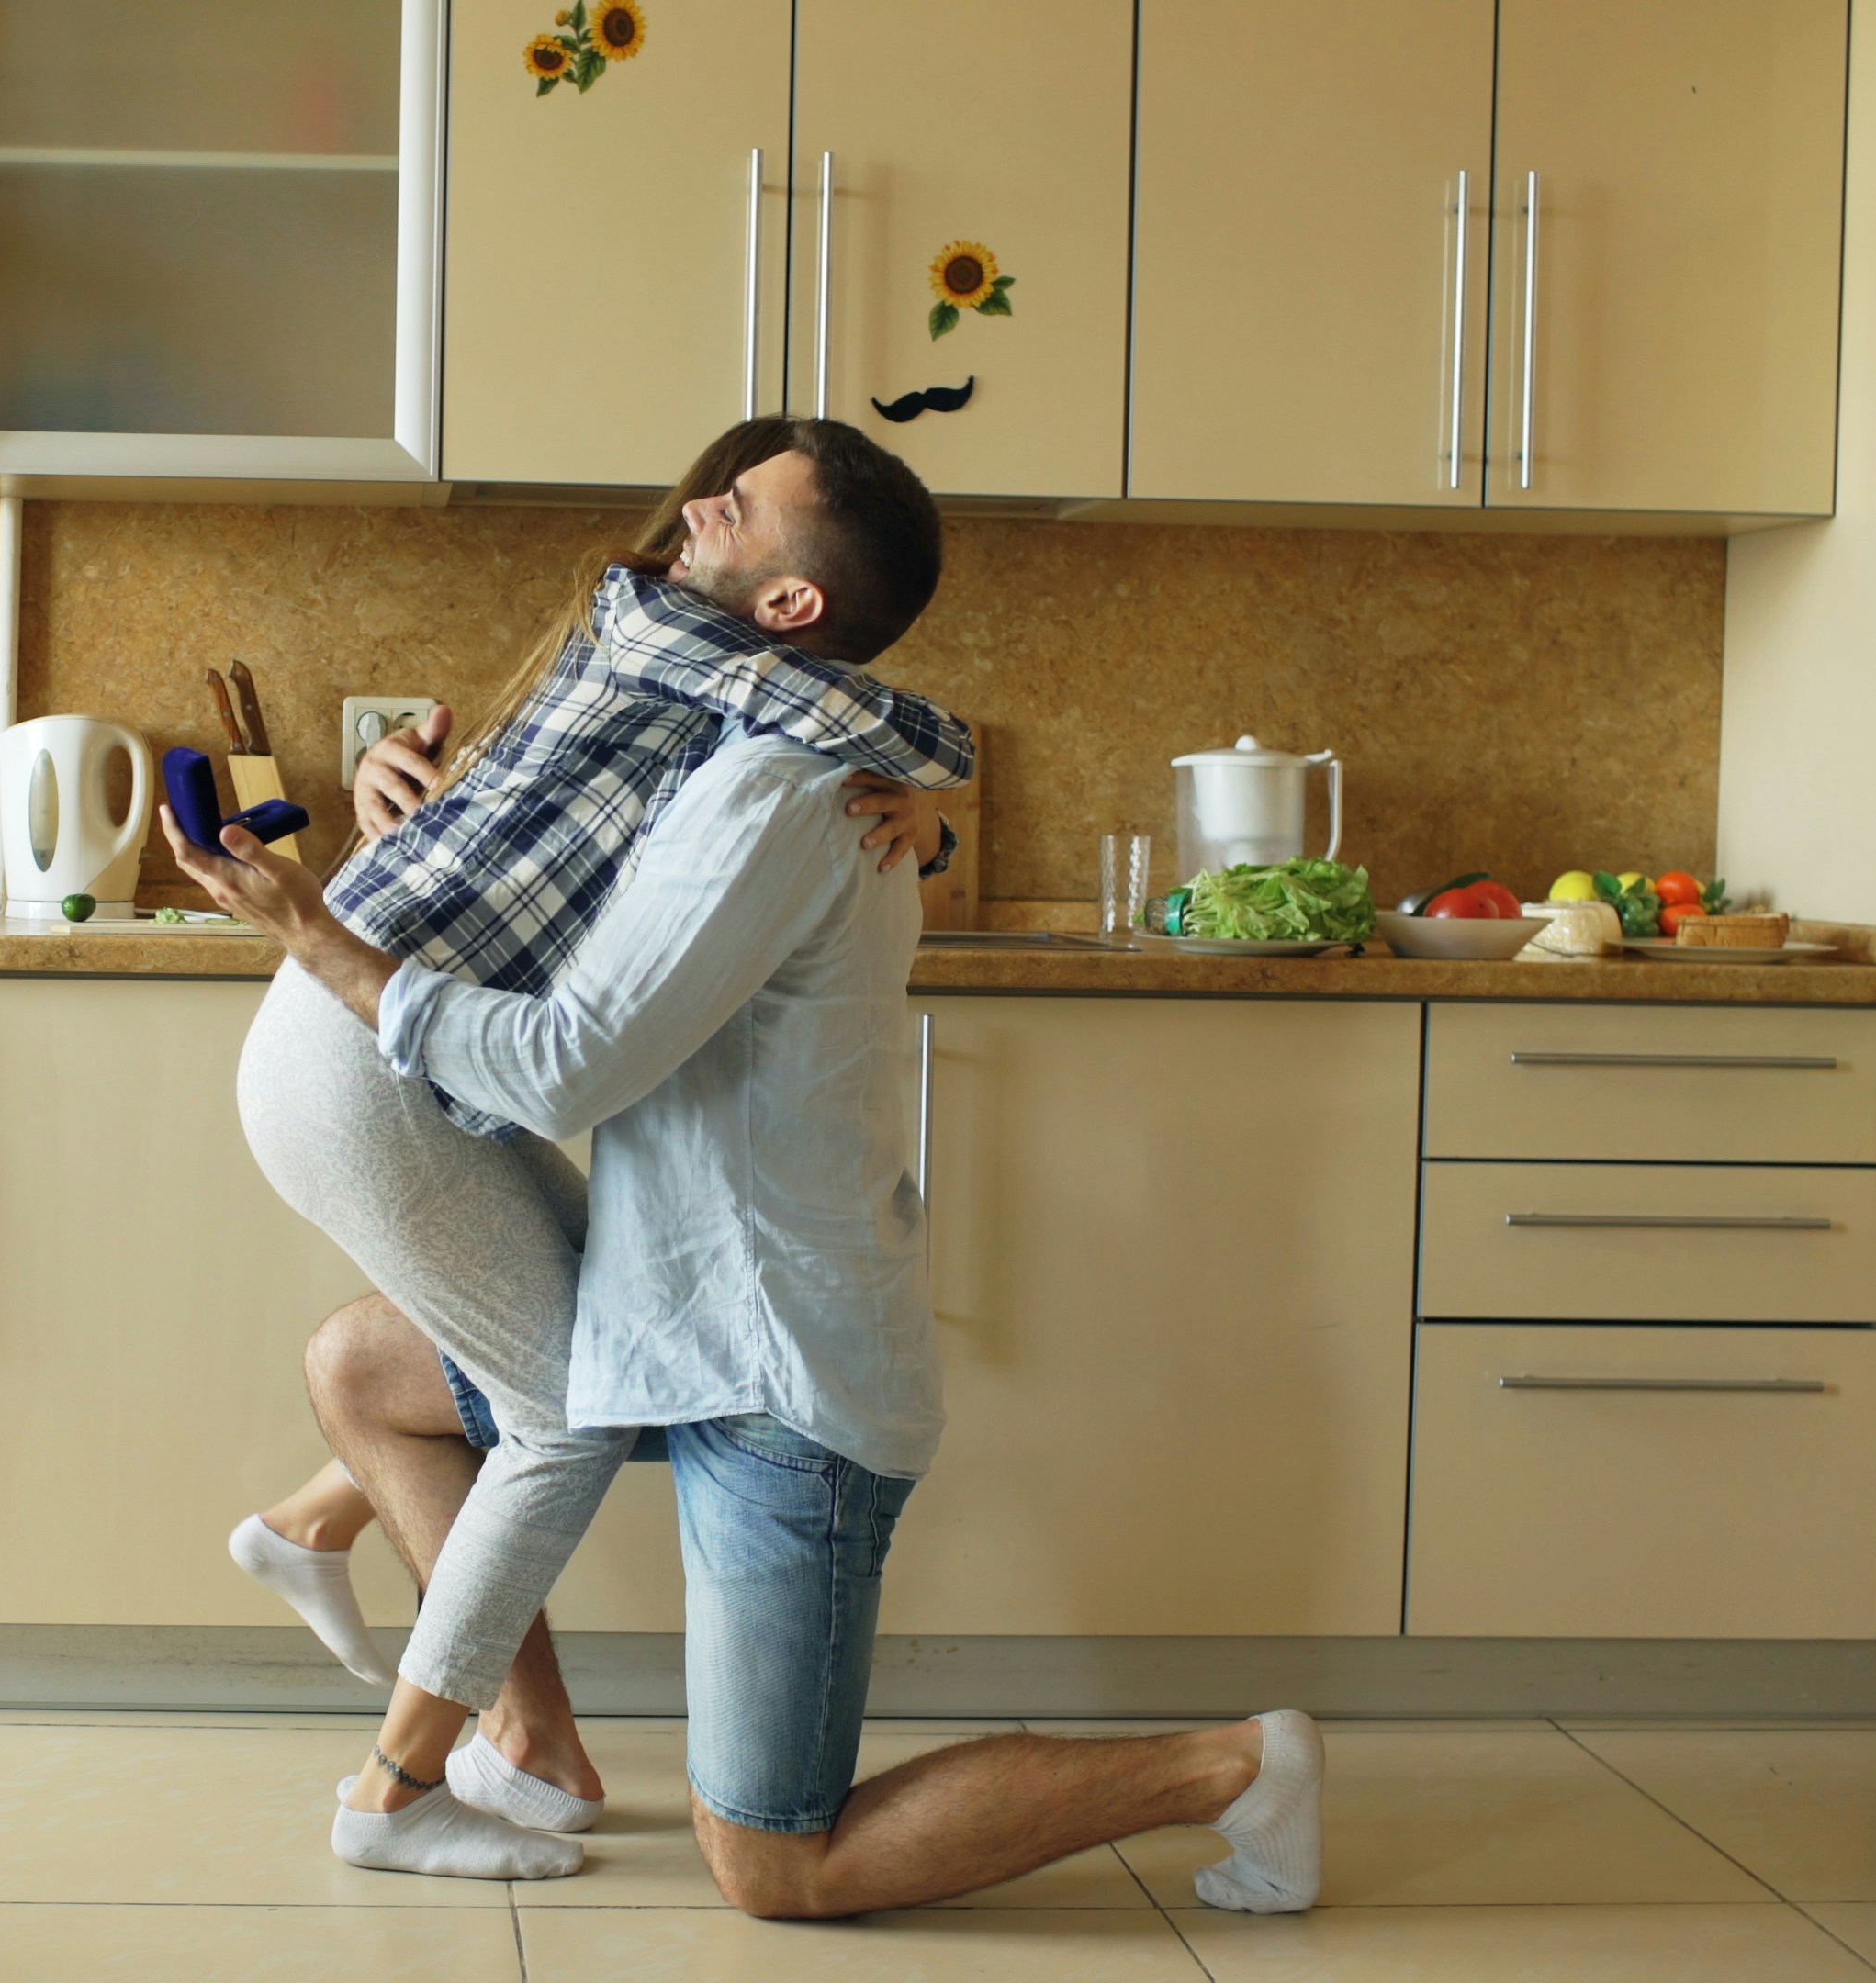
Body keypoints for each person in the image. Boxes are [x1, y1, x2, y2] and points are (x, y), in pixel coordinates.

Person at [170, 708, 1329, 1922]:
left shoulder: (773, 805)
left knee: (781, 1867)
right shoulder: (713, 773)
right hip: (667, 1315)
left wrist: (319, 931)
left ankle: (1240, 1766)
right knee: (365, 1369)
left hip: (781, 1377)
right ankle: (519, 1739)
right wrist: (400, 825)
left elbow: (555, 1063)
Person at [217, 420, 974, 1879]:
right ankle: (391, 1792)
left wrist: (925, 827)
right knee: (568, 1410)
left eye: (736, 504)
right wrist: (926, 793)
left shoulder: (700, 691)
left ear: (792, 608)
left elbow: (591, 814)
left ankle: (516, 1729)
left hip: (372, 1039)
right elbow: (903, 731)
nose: (697, 510)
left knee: (569, 1364)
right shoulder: (693, 657)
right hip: (373, 1051)